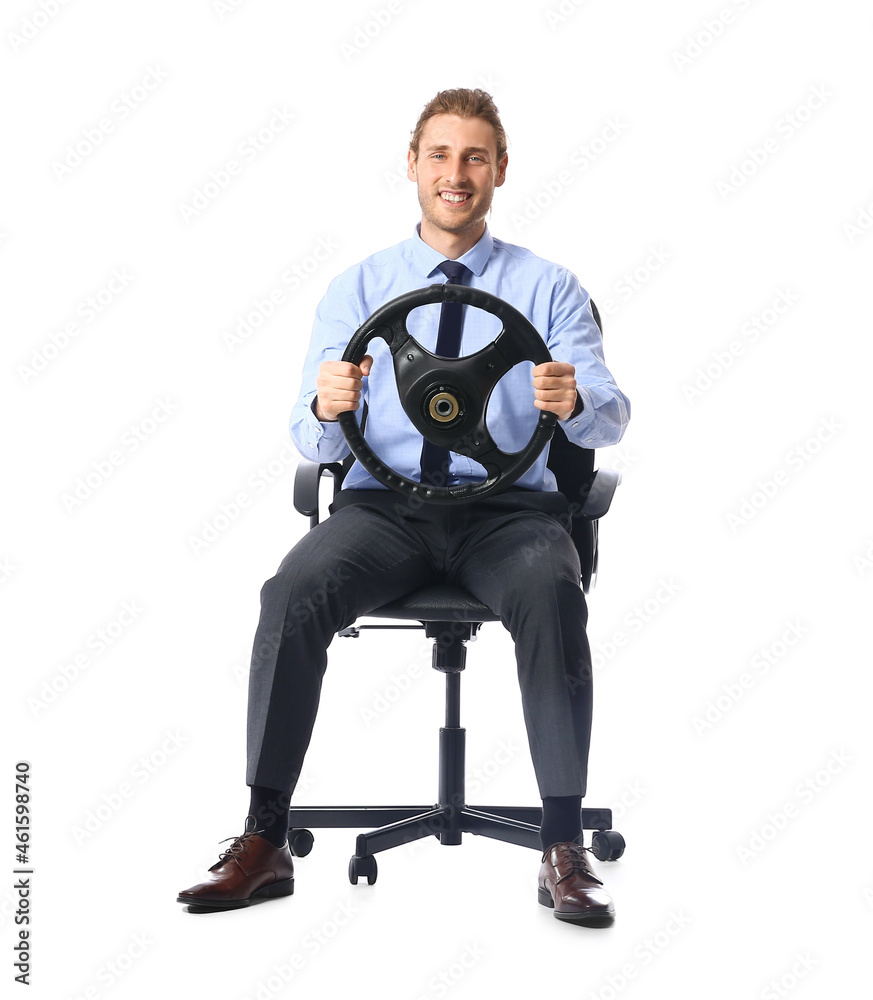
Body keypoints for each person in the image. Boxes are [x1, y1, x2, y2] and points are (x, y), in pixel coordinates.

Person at [178, 88, 630, 925]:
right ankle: (264, 836)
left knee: (549, 594)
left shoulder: (549, 287)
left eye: (473, 157)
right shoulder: (359, 288)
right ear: (412, 165)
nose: (455, 174)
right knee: (289, 593)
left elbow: (609, 411)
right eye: (439, 155)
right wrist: (324, 407)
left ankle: (561, 847)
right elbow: (308, 440)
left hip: (510, 514)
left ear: (498, 170)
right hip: (382, 511)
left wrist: (572, 402)